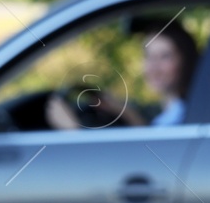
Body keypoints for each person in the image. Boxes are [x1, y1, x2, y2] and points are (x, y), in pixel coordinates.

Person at [46, 22, 199, 130]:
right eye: (148, 56)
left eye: (165, 56)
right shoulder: (175, 111)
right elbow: (151, 139)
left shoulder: (186, 116)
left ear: (186, 60)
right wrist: (123, 110)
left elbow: (152, 163)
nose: (153, 67)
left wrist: (73, 131)